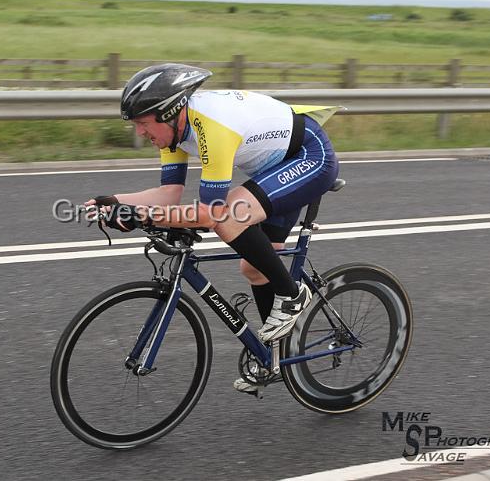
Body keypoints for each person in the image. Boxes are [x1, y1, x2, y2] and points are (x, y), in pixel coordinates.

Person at [86, 63, 341, 395]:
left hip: (310, 158)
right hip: (276, 168)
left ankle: (292, 296)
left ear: (167, 113)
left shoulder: (213, 126)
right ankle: (275, 359)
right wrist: (115, 201)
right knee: (254, 267)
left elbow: (210, 214)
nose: (140, 133)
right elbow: (168, 195)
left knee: (229, 214)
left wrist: (140, 216)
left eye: (143, 124)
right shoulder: (174, 130)